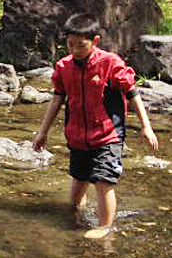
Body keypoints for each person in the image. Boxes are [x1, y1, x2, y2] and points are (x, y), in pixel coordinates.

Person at [33, 13, 158, 238]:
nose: (74, 50)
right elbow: (57, 99)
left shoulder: (110, 63)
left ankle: (104, 228)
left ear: (95, 41)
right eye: (70, 44)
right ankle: (76, 216)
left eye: (81, 46)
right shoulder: (64, 66)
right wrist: (42, 132)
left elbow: (133, 94)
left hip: (108, 134)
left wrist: (146, 127)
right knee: (78, 180)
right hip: (77, 135)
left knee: (103, 180)